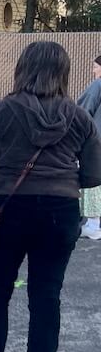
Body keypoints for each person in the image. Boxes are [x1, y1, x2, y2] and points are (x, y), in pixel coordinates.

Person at [0, 41, 101, 352]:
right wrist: (87, 215)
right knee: (47, 294)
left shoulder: (2, 111)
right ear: (64, 73)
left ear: (22, 68)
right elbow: (94, 176)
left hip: (9, 208)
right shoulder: (80, 117)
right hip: (61, 212)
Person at [77, 56, 101, 240]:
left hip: (96, 144)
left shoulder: (98, 85)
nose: (94, 71)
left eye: (95, 67)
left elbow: (82, 113)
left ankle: (93, 224)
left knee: (93, 183)